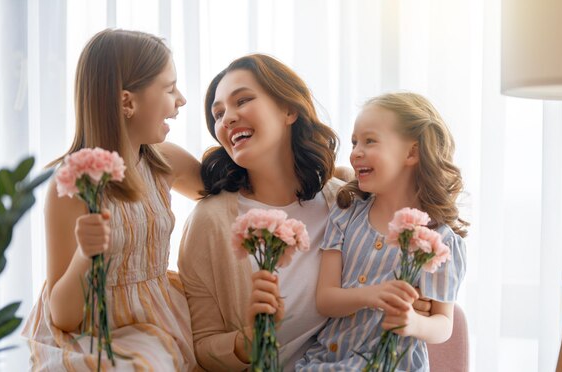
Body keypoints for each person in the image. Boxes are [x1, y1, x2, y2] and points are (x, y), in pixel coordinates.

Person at [177, 55, 430, 371]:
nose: (227, 118)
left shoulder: (347, 202)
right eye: (217, 114)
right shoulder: (209, 222)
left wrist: (418, 300)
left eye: (242, 100)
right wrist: (246, 343)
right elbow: (202, 347)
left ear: (289, 109)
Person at [22, 29, 201, 371]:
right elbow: (64, 317)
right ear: (127, 102)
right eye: (169, 88)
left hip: (152, 326)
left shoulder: (163, 162)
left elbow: (229, 192)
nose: (181, 99)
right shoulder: (72, 186)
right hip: (86, 330)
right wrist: (86, 257)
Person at [296, 92, 467, 371]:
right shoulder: (345, 215)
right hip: (328, 363)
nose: (355, 152)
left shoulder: (442, 241)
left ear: (412, 152)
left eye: (370, 140)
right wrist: (372, 295)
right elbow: (326, 300)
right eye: (354, 142)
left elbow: (443, 325)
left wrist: (414, 323)